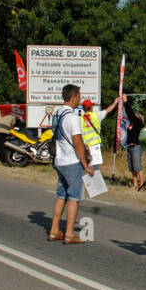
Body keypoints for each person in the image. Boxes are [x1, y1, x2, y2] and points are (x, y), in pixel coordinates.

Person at [48, 84, 93, 243]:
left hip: (59, 159)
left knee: (61, 195)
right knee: (74, 197)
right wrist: (86, 164)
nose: (80, 99)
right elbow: (77, 142)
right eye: (79, 96)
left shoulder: (57, 113)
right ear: (73, 97)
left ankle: (54, 230)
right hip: (71, 161)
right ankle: (69, 233)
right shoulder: (73, 117)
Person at [124, 101, 146, 190]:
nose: (135, 115)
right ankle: (135, 185)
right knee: (132, 168)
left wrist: (126, 102)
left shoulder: (138, 123)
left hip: (136, 147)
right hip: (129, 147)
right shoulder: (132, 124)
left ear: (139, 117)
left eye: (137, 114)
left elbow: (130, 114)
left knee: (137, 167)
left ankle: (142, 185)